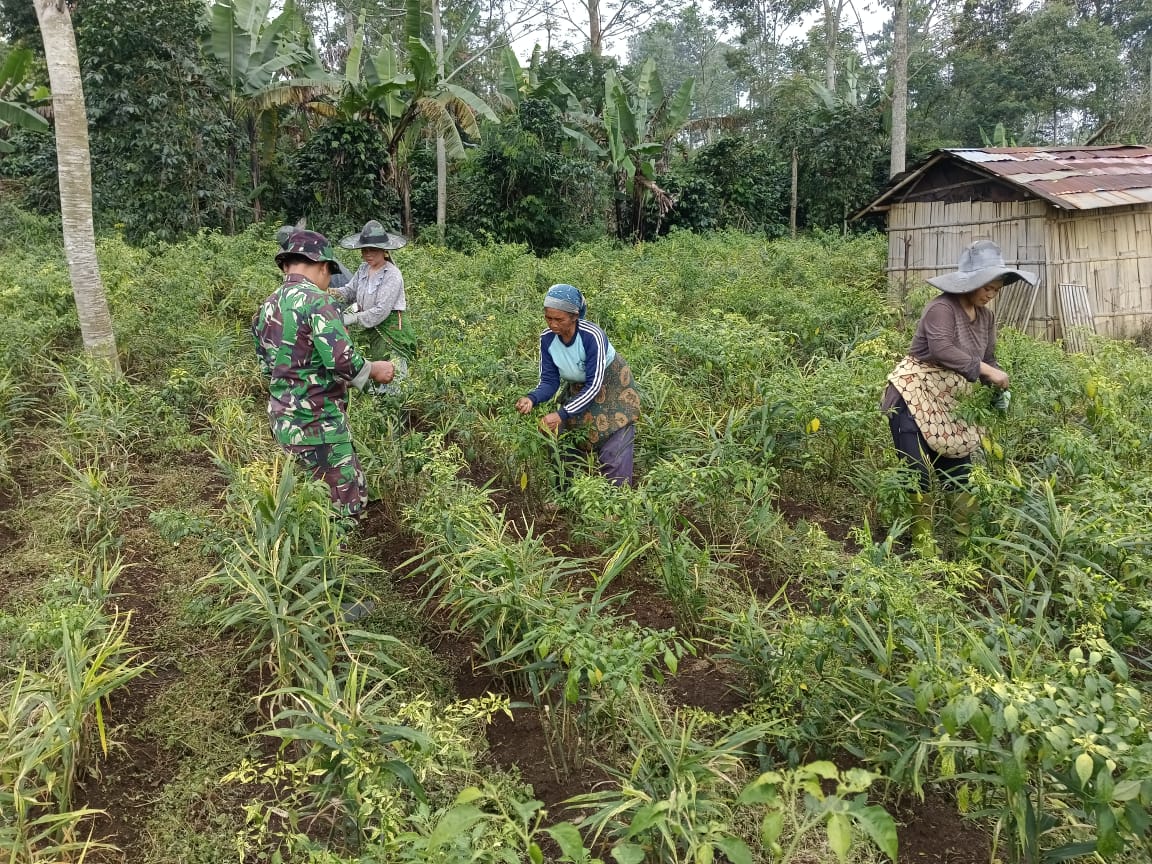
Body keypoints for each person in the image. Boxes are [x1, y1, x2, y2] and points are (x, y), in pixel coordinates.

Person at [881, 239, 1036, 545]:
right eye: (986, 288)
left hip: (952, 401)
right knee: (918, 473)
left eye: (996, 289)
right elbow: (942, 349)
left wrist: (997, 383)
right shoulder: (941, 308)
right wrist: (987, 371)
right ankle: (923, 547)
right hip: (914, 396)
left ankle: (964, 545)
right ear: (971, 282)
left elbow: (988, 358)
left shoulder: (987, 318)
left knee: (960, 474)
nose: (990, 294)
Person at [252, 229, 395, 519]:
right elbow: (344, 361)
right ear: (320, 265)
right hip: (320, 426)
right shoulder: (318, 302)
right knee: (344, 505)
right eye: (329, 273)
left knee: (305, 498)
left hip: (283, 422)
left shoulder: (266, 307)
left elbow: (270, 366)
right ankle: (337, 559)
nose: (328, 280)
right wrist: (373, 370)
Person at [515, 284, 641, 486]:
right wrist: (531, 398)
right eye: (548, 318)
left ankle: (618, 504)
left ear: (574, 316)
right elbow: (549, 381)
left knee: (615, 440)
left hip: (612, 386)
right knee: (563, 440)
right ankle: (566, 496)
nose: (552, 324)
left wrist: (561, 414)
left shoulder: (592, 336)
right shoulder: (547, 339)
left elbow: (594, 384)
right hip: (579, 389)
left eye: (559, 319)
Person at [336, 220, 415, 395]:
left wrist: (353, 318)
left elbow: (381, 311)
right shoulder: (363, 269)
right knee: (373, 370)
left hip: (390, 330)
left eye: (372, 250)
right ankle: (376, 403)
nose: (367, 254)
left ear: (383, 250)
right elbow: (350, 291)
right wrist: (330, 293)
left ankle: (396, 410)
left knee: (394, 374)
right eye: (364, 250)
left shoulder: (392, 275)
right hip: (369, 329)